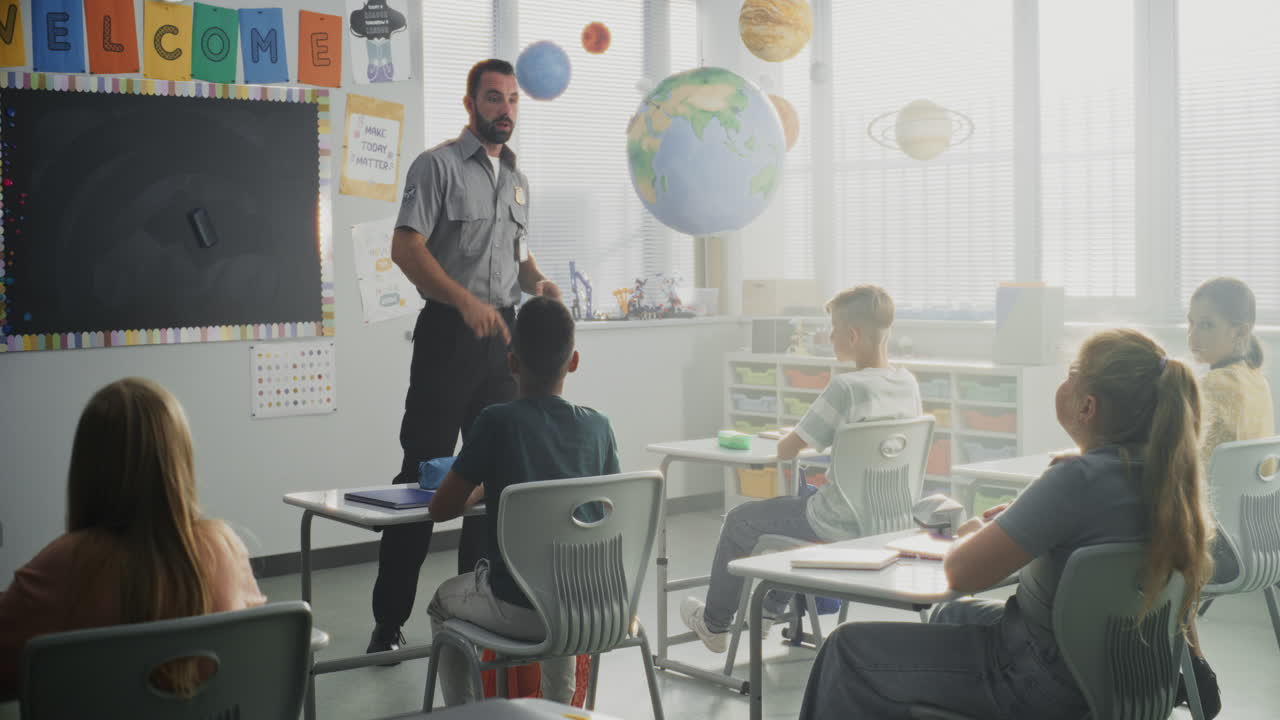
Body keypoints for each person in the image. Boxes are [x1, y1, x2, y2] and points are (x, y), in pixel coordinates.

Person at [797, 329, 1214, 720]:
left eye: (1071, 375)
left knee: (847, 649)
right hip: (1127, 676)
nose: (1062, 383)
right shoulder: (1172, 480)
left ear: (1088, 407)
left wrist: (975, 532)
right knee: (952, 616)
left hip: (1042, 684)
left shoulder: (1077, 481)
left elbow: (963, 571)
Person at [370, 57, 561, 657]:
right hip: (449, 334)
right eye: (493, 98)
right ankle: (387, 622)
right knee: (423, 474)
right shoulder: (438, 167)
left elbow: (518, 257)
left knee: (493, 478)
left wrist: (541, 283)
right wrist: (464, 302)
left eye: (511, 100)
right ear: (470, 102)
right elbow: (405, 248)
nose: (504, 109)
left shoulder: (519, 178)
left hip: (502, 339)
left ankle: (479, 614)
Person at [680, 285, 923, 651]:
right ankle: (766, 614)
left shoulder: (846, 388)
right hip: (889, 521)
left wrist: (789, 435)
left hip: (838, 522)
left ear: (852, 335)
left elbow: (787, 449)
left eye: (833, 329)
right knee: (797, 502)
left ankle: (714, 625)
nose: (829, 336)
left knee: (741, 520)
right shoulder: (907, 383)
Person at [0, 378, 266, 700]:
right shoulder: (223, 546)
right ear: (180, 459)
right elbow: (258, 652)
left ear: (87, 466)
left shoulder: (62, 565)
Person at [424, 296, 620, 705]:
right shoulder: (599, 429)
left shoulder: (496, 422)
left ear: (511, 363)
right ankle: (560, 710)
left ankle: (465, 715)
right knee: (561, 585)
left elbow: (441, 509)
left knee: (442, 603)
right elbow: (608, 516)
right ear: (574, 361)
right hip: (592, 607)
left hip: (520, 611)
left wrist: (480, 484)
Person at [1176, 276, 1274, 717]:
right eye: (1191, 324)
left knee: (1140, 540)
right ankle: (1187, 664)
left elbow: (1182, 465)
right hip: (1260, 546)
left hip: (1218, 550)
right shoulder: (1257, 381)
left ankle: (1182, 667)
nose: (1194, 336)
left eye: (1207, 325)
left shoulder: (1214, 387)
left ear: (1240, 330)